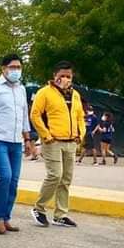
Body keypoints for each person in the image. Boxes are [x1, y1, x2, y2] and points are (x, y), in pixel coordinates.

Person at [0, 54, 32, 234]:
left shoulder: (21, 89)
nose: (16, 70)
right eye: (12, 67)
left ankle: (6, 216)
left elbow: (24, 115)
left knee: (14, 180)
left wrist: (27, 139)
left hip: (16, 141)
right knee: (5, 177)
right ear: (3, 69)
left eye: (19, 67)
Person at [30, 61, 86, 228]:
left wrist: (80, 134)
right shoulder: (44, 93)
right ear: (55, 76)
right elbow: (35, 115)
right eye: (62, 76)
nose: (65, 79)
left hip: (71, 142)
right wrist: (46, 135)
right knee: (55, 175)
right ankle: (39, 208)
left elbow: (80, 116)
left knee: (66, 178)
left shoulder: (75, 95)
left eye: (68, 76)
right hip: (53, 141)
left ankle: (60, 214)